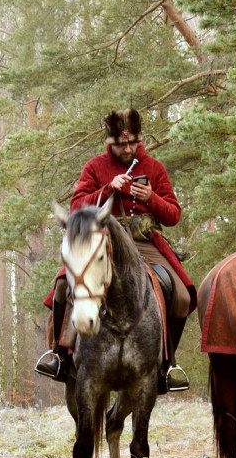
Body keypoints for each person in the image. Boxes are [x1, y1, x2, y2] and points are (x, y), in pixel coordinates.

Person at [35, 109, 197, 393]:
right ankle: (60, 356)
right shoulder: (95, 167)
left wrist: (152, 198)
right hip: (101, 242)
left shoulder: (155, 168)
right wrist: (107, 189)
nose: (127, 148)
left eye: (132, 142)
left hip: (145, 243)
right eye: (121, 144)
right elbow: (76, 207)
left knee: (182, 296)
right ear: (110, 143)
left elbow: (173, 215)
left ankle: (167, 364)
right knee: (62, 285)